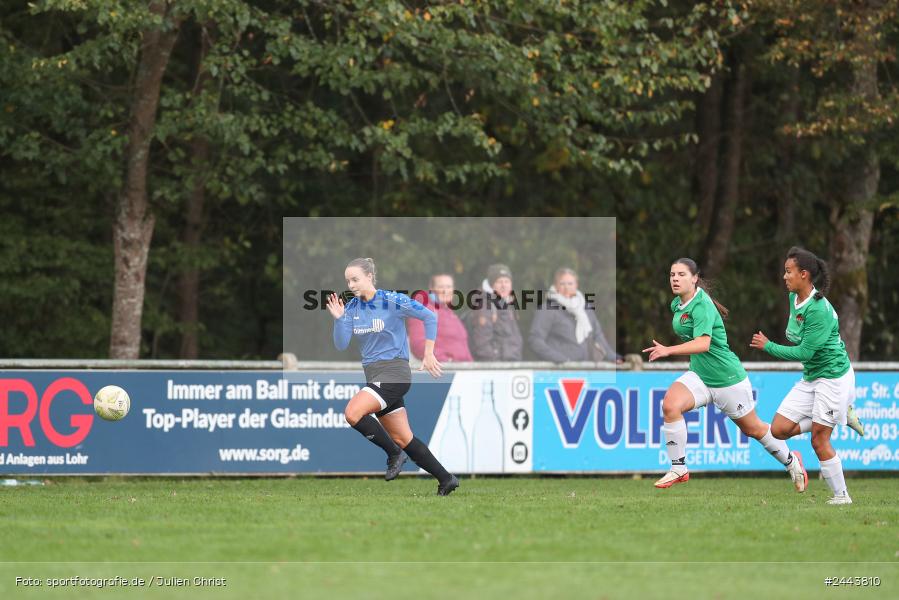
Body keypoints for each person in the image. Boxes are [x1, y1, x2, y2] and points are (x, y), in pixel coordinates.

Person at [643, 258, 806, 490]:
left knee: (754, 429)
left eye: (681, 274)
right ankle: (678, 468)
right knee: (670, 405)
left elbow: (703, 344)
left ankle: (792, 461)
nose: (675, 279)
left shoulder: (702, 305)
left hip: (727, 379)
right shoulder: (677, 305)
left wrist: (668, 350)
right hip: (700, 375)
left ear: (695, 278)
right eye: (672, 275)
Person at [327, 257, 459, 496]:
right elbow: (341, 344)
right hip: (375, 375)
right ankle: (446, 478)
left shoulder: (392, 300)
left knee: (353, 413)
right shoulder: (353, 308)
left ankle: (393, 454)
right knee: (402, 437)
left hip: (395, 372)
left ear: (369, 277)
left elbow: (430, 316)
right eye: (348, 281)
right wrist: (339, 320)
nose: (351, 285)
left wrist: (429, 354)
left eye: (355, 279)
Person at [750, 247, 865, 505]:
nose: (784, 276)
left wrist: (768, 346)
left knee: (819, 439)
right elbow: (801, 343)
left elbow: (805, 351)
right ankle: (839, 414)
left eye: (788, 272)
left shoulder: (818, 309)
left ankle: (842, 496)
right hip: (812, 376)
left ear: (804, 275)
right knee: (778, 430)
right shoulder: (794, 299)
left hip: (833, 377)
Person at [529, 267, 622, 363]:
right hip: (558, 370)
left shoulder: (585, 308)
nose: (566, 287)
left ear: (576, 285)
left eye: (570, 283)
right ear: (556, 286)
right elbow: (535, 340)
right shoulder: (547, 309)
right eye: (562, 284)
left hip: (586, 369)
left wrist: (614, 357)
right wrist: (560, 360)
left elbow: (597, 336)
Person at [408, 273, 474, 363]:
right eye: (441, 287)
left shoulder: (450, 314)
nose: (445, 290)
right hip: (443, 373)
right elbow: (418, 344)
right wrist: (447, 361)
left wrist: (471, 366)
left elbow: (463, 348)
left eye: (448, 287)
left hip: (462, 373)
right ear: (432, 289)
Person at [469, 263, 523, 361]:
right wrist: (496, 365)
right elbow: (482, 344)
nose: (504, 285)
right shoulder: (485, 305)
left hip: (511, 365)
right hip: (496, 368)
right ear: (491, 284)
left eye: (507, 281)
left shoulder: (508, 304)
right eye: (499, 282)